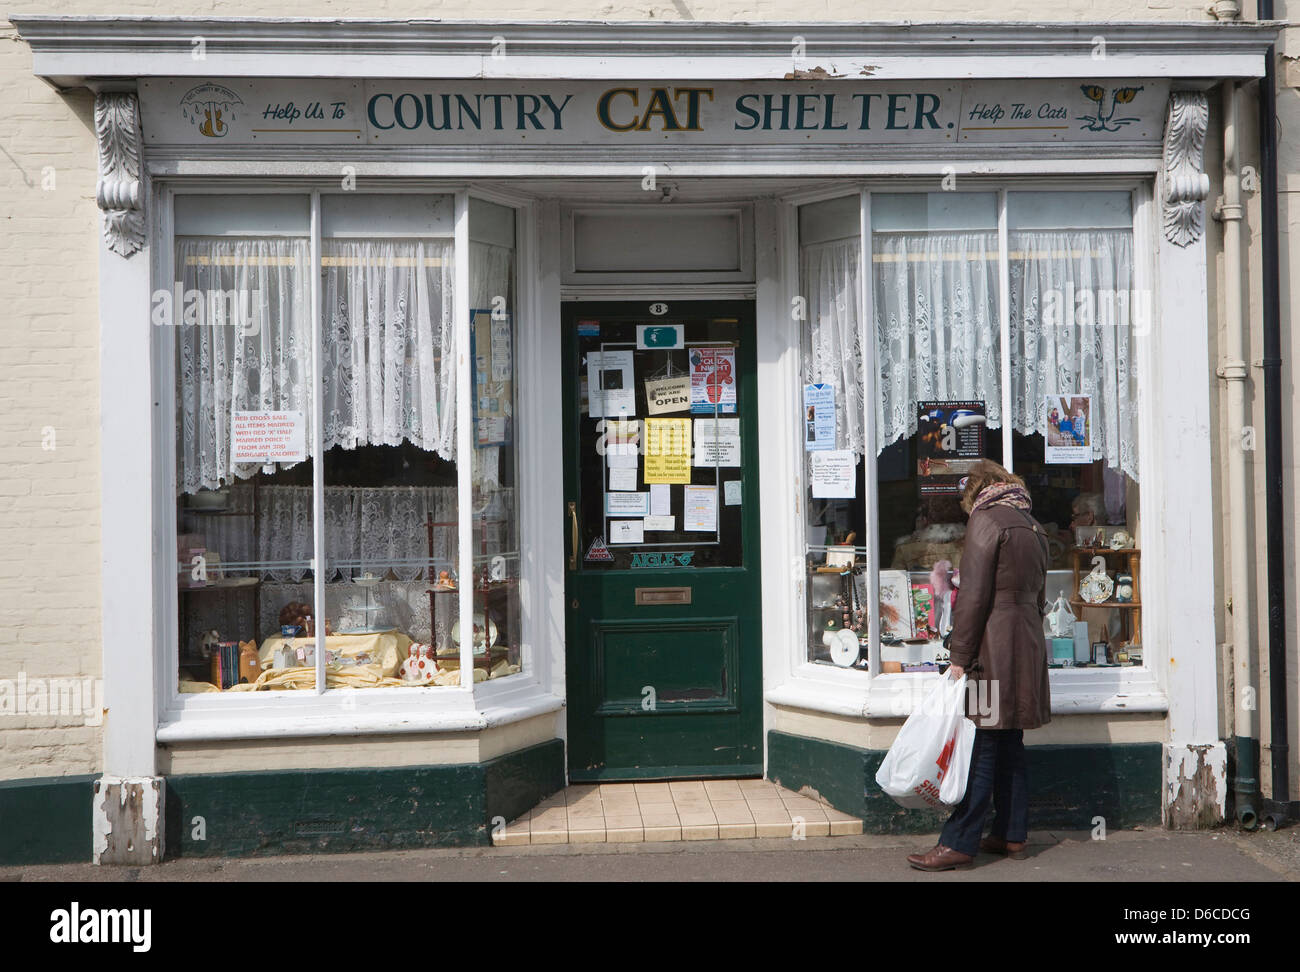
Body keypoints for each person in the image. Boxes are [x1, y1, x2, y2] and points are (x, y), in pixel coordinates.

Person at [906, 459, 1051, 871]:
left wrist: (959, 657)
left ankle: (959, 842)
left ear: (977, 492)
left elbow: (972, 597)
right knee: (1010, 743)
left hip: (991, 651)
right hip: (1026, 643)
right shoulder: (1033, 525)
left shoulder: (986, 521)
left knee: (983, 745)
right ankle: (1011, 833)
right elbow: (1039, 597)